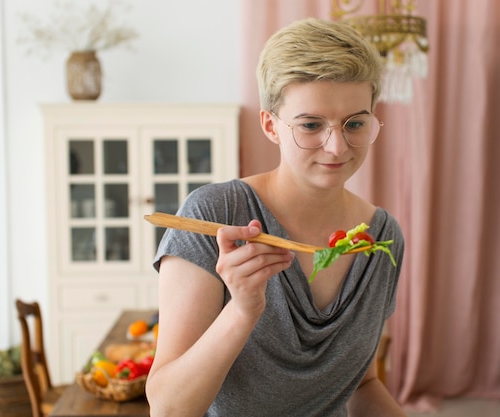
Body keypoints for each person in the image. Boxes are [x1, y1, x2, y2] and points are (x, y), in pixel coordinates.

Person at [145, 17, 406, 417]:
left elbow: (363, 383)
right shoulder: (215, 214)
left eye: (355, 123)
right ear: (271, 126)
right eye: (310, 125)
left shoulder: (382, 236)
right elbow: (168, 408)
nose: (336, 147)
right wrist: (241, 311)